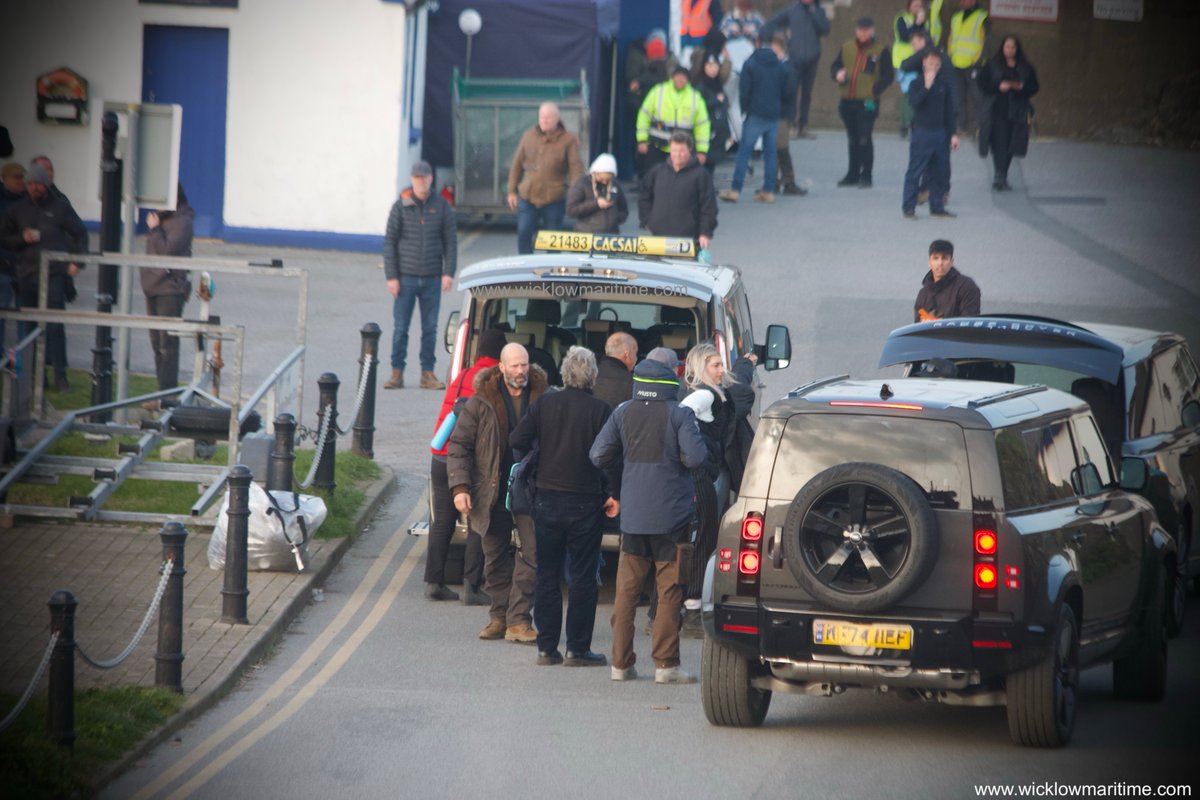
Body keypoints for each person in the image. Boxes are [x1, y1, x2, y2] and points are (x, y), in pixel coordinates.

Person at [590, 347, 708, 684]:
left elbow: (598, 454)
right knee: (669, 590)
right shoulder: (679, 414)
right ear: (672, 375)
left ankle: (620, 664)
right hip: (673, 519)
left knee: (627, 592)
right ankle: (666, 665)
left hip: (634, 519)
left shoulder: (623, 411)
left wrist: (624, 473)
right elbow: (696, 459)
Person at [510, 346, 619, 667]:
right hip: (586, 503)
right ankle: (577, 649)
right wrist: (613, 492)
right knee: (582, 577)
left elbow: (517, 439)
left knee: (547, 574)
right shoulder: (601, 410)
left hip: (546, 499)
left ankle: (546, 647)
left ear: (564, 374)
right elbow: (611, 455)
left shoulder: (545, 403)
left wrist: (542, 450)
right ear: (594, 377)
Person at [447, 342, 547, 644]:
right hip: (490, 492)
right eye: (515, 366)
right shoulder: (480, 402)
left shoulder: (545, 398)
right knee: (494, 558)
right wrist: (460, 488)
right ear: (501, 368)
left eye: (524, 364)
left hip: (531, 491)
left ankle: (519, 620)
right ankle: (499, 618)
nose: (521, 371)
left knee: (533, 554)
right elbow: (459, 445)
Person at [678, 342, 756, 638]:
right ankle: (693, 611)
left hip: (695, 476)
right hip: (701, 477)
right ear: (700, 368)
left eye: (722, 365)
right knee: (702, 543)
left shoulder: (709, 392)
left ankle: (671, 610)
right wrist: (700, 455)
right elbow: (679, 417)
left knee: (690, 542)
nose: (722, 370)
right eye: (715, 366)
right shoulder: (702, 395)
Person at [424, 327, 507, 604]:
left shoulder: (462, 375)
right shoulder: (493, 379)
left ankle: (433, 583)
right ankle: (472, 586)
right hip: (466, 458)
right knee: (476, 520)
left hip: (440, 454)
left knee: (443, 521)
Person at [0, 161, 87, 391]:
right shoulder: (17, 210)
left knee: (55, 327)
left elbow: (80, 233)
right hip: (26, 274)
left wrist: (77, 262)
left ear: (46, 185)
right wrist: (21, 239)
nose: (33, 187)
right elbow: (4, 237)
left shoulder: (60, 208)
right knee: (29, 328)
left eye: (38, 183)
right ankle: (33, 378)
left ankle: (60, 376)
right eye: (30, 183)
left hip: (54, 275)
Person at [383, 160, 457, 391]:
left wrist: (448, 273)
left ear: (431, 179)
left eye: (425, 177)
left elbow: (450, 242)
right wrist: (392, 277)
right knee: (401, 328)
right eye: (417, 178)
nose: (421, 181)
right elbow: (390, 243)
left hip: (433, 278)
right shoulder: (400, 206)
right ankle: (397, 373)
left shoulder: (442, 206)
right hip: (405, 278)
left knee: (430, 328)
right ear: (413, 180)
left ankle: (428, 373)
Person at [719, 32, 791, 205]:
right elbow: (785, 90)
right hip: (773, 114)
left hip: (755, 114)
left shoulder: (750, 64)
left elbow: (745, 91)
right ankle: (768, 191)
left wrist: (745, 110)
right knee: (770, 153)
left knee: (744, 153)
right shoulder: (779, 65)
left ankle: (735, 190)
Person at [507, 102, 584, 255]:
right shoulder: (528, 137)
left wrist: (575, 194)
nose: (544, 121)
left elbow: (576, 169)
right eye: (542, 117)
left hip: (554, 197)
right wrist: (511, 191)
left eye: (548, 118)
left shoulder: (567, 140)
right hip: (527, 195)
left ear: (557, 119)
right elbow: (516, 165)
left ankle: (552, 271)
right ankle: (525, 266)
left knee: (553, 239)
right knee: (524, 232)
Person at [140, 184, 195, 396]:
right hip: (152, 289)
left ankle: (168, 394)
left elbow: (166, 251)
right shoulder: (162, 222)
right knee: (156, 344)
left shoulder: (183, 222)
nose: (157, 206)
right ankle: (161, 392)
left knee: (167, 344)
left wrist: (154, 230)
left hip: (170, 291)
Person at [831, 17, 894, 189]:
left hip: (869, 102)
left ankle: (866, 175)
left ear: (872, 31)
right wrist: (837, 74)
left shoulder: (881, 50)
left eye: (866, 30)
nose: (863, 33)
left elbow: (889, 75)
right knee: (853, 138)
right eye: (860, 29)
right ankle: (852, 174)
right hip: (847, 100)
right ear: (856, 30)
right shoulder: (847, 47)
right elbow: (835, 66)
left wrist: (876, 89)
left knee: (864, 137)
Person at [902, 48, 959, 219]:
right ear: (924, 63)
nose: (933, 66)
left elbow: (948, 112)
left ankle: (937, 207)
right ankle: (908, 207)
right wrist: (926, 86)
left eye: (937, 64)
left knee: (939, 172)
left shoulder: (943, 85)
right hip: (922, 133)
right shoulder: (916, 83)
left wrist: (953, 134)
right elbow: (914, 103)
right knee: (915, 170)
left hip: (940, 134)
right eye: (930, 63)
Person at [977, 35, 1039, 191]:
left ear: (1017, 49)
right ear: (1002, 48)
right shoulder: (992, 64)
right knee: (999, 143)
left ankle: (1002, 174)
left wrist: (1021, 88)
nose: (1010, 50)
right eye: (1007, 46)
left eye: (1013, 47)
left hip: (1018, 109)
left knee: (1012, 144)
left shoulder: (1025, 67)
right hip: (997, 108)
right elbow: (981, 82)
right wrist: (998, 87)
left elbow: (1034, 87)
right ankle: (999, 174)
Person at [637, 132, 717, 251]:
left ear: (690, 150)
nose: (677, 155)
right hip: (658, 238)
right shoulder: (657, 172)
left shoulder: (701, 175)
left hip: (688, 241)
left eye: (681, 150)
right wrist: (647, 220)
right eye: (674, 150)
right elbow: (644, 196)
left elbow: (708, 206)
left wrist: (705, 233)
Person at [764, 0, 830, 138]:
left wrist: (814, 13)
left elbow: (825, 30)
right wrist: (779, 38)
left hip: (812, 58)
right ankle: (791, 124)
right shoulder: (792, 9)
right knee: (792, 92)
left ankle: (803, 125)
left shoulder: (819, 10)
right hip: (795, 58)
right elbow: (772, 23)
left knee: (807, 93)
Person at [636, 66, 712, 180]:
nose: (680, 80)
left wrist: (702, 151)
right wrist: (642, 140)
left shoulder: (695, 97)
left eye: (683, 78)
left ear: (687, 80)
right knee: (651, 180)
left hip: (682, 151)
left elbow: (702, 126)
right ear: (672, 78)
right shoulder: (658, 91)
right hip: (657, 147)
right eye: (678, 77)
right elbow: (644, 115)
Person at [947, 0, 990, 135]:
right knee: (958, 96)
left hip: (973, 63)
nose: (962, 2)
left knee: (978, 96)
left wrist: (978, 60)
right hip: (956, 62)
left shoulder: (982, 17)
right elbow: (951, 38)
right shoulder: (956, 17)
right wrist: (950, 56)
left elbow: (986, 41)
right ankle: (961, 125)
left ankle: (981, 126)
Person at [913, 239, 980, 322]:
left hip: (954, 335)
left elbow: (969, 323)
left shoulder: (966, 286)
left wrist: (941, 324)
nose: (940, 263)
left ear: (951, 261)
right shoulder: (923, 294)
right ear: (929, 262)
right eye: (936, 258)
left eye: (944, 258)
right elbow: (916, 327)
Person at [690, 52, 732, 173]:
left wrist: (727, 132)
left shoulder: (718, 84)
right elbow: (697, 106)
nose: (712, 69)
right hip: (705, 132)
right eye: (709, 66)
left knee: (712, 163)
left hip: (718, 132)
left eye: (715, 66)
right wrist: (716, 101)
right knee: (703, 163)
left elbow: (724, 110)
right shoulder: (700, 86)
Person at [565, 153, 628, 234]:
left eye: (608, 179)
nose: (605, 182)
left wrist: (615, 218)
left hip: (611, 235)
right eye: (602, 179)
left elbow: (624, 210)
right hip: (586, 234)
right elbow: (571, 210)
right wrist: (596, 204)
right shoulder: (582, 184)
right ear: (595, 173)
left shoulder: (616, 185)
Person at [0, 163, 25, 350]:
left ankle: (24, 356)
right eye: (16, 177)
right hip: (3, 265)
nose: (21, 181)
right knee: (2, 312)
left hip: (24, 265)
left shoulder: (28, 200)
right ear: (5, 178)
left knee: (25, 314)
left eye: (22, 177)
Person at [594, 331, 637, 409]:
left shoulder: (589, 375)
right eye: (635, 353)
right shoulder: (632, 382)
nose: (636, 358)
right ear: (627, 355)